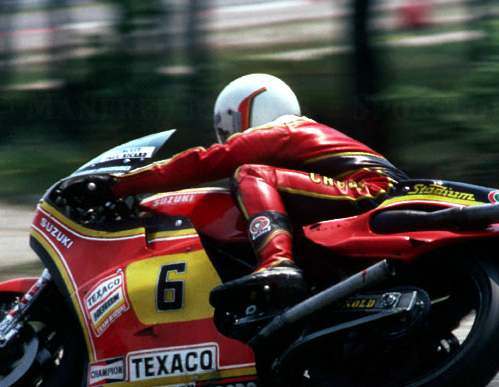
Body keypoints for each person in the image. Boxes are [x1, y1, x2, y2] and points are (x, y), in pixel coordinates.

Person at [109, 73, 407, 308]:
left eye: (230, 128)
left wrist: (119, 185)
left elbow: (205, 162)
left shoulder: (284, 130)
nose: (230, 137)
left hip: (372, 193)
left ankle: (277, 262)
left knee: (249, 174)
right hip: (383, 197)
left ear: (248, 111)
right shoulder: (308, 137)